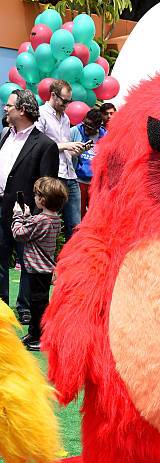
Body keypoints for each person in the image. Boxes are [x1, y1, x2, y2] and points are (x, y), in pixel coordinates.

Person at [0, 89, 59, 324]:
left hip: (26, 214)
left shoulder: (45, 145)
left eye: (9, 105)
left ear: (22, 110)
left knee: (28, 262)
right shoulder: (5, 134)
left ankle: (23, 307)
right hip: (1, 205)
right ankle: (2, 303)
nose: (5, 108)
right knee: (0, 258)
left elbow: (46, 184)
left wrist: (35, 217)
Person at [11, 176, 67, 351]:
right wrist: (28, 216)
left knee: (38, 306)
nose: (34, 197)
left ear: (42, 199)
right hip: (45, 269)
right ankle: (34, 333)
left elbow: (19, 233)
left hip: (37, 269)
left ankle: (41, 337)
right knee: (39, 302)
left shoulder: (40, 220)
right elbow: (34, 230)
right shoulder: (55, 219)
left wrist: (18, 216)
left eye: (36, 195)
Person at [36, 79, 85, 240]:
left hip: (70, 174)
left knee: (75, 224)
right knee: (48, 221)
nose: (67, 105)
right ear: (53, 95)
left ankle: (72, 260)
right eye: (64, 101)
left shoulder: (65, 118)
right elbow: (38, 145)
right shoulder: (41, 114)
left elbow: (65, 148)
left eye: (69, 102)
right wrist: (67, 145)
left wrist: (76, 150)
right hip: (53, 175)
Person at [71, 109, 107, 217]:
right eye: (85, 124)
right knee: (78, 215)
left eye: (90, 127)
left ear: (98, 127)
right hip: (78, 180)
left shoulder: (105, 135)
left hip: (96, 183)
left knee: (95, 215)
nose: (86, 129)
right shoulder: (75, 131)